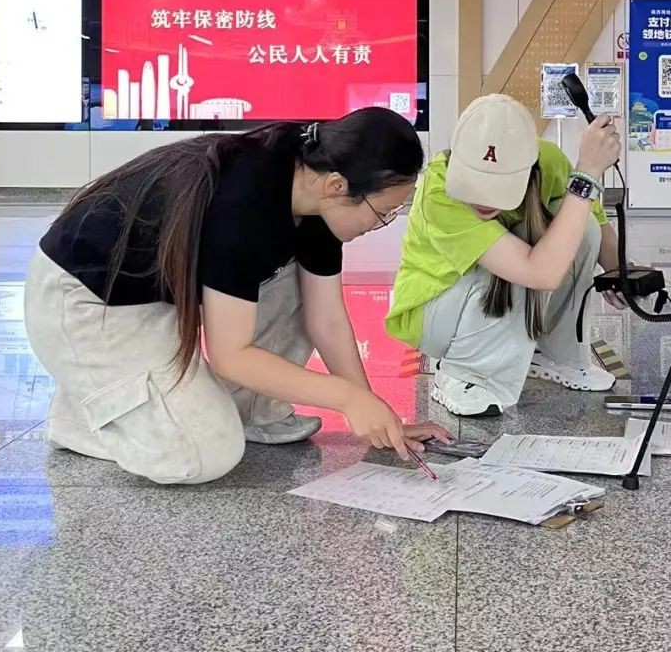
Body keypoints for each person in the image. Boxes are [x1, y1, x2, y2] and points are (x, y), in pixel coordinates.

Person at [23, 109, 447, 484]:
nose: (381, 225)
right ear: (338, 186)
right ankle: (84, 418)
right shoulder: (245, 203)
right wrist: (347, 399)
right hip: (88, 305)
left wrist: (373, 410)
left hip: (156, 297)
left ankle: (247, 411)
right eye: (382, 213)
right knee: (203, 456)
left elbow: (327, 319)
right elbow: (231, 355)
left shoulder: (315, 182)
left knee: (294, 284)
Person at [386, 94, 625, 417]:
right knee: (506, 261)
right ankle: (462, 372)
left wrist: (620, 273)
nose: (484, 198)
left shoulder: (548, 161)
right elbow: (538, 272)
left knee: (579, 225)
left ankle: (555, 353)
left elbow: (592, 219)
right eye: (475, 180)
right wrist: (587, 174)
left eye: (499, 183)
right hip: (437, 314)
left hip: (488, 295)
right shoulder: (438, 190)